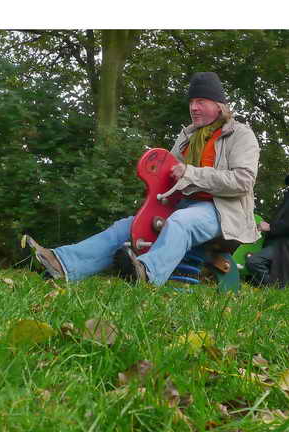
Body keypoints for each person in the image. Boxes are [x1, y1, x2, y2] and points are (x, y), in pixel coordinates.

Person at [21, 72, 260, 285]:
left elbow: (243, 181)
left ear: (218, 105)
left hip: (223, 211)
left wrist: (190, 172)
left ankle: (147, 274)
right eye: (191, 102)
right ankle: (62, 264)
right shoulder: (188, 136)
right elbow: (169, 176)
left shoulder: (239, 134)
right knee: (127, 226)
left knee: (180, 222)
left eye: (200, 101)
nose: (193, 108)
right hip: (183, 204)